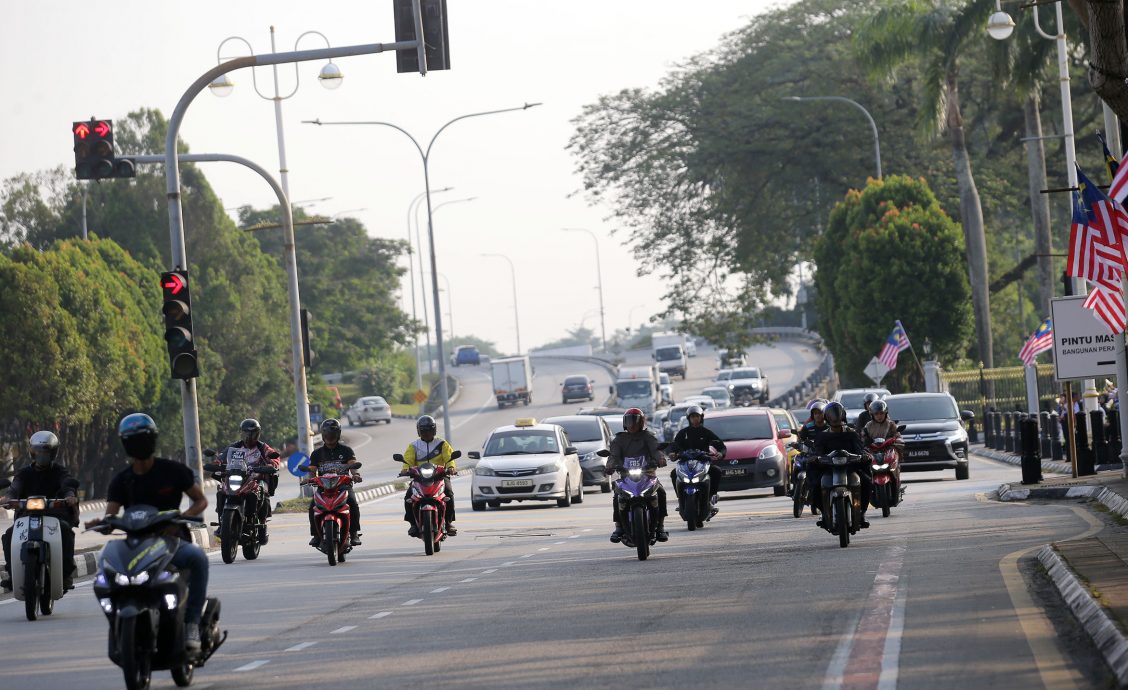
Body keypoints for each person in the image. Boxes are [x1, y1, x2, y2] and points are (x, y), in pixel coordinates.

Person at [85, 414, 210, 651]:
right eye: (133, 441)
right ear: (126, 445)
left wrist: (182, 518)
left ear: (152, 440)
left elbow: (200, 501)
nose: (139, 445)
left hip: (171, 541)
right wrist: (101, 524)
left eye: (142, 439)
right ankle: (117, 622)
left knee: (198, 558)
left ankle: (192, 622)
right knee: (105, 570)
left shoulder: (173, 470)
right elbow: (112, 516)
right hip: (135, 546)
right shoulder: (121, 480)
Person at [2, 431, 78, 592]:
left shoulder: (59, 471)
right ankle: (11, 574)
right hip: (27, 514)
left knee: (66, 531)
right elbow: (15, 487)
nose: (41, 455)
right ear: (32, 452)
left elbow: (67, 484)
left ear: (53, 453)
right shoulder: (24, 473)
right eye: (38, 451)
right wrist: (7, 497)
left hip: (54, 515)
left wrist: (70, 496)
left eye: (45, 452)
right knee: (9, 535)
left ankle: (66, 575)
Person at [606, 408, 668, 543]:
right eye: (628, 421)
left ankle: (660, 527)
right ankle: (619, 527)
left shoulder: (649, 437)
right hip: (625, 476)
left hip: (648, 474)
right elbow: (613, 455)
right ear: (624, 423)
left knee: (661, 493)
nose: (632, 424)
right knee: (617, 495)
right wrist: (610, 465)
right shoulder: (619, 439)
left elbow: (656, 451)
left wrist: (661, 459)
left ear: (641, 422)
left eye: (635, 421)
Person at [212, 419, 279, 543]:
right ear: (241, 433)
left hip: (255, 478)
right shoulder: (234, 446)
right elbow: (221, 457)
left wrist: (272, 463)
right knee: (221, 491)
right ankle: (222, 523)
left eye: (252, 434)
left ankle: (262, 526)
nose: (249, 437)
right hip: (237, 477)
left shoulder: (262, 447)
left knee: (263, 490)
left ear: (257, 434)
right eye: (246, 433)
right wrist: (217, 463)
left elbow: (273, 456)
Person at [813, 401, 871, 529]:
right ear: (827, 418)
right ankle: (824, 513)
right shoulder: (822, 436)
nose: (836, 421)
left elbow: (859, 449)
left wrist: (863, 456)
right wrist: (815, 458)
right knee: (814, 486)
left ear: (842, 416)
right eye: (832, 417)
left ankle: (861, 513)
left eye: (837, 417)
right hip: (828, 470)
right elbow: (817, 452)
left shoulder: (852, 433)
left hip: (851, 468)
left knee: (867, 483)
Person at [398, 415, 458, 537]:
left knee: (449, 493)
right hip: (419, 478)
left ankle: (448, 522)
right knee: (408, 496)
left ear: (434, 430)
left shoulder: (442, 443)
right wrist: (405, 470)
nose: (427, 433)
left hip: (439, 476)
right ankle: (413, 524)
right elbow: (407, 460)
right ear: (419, 431)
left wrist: (451, 467)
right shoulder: (413, 445)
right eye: (424, 430)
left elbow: (449, 457)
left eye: (429, 430)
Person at [306, 418, 362, 547]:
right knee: (312, 507)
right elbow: (312, 470)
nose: (329, 437)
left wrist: (356, 475)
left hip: (343, 486)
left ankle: (354, 533)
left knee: (353, 503)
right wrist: (310, 478)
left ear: (338, 434)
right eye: (327, 434)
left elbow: (352, 465)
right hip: (323, 488)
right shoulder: (316, 453)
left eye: (332, 434)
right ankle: (315, 535)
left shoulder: (346, 450)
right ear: (323, 435)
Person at [667, 405, 725, 515]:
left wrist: (720, 453)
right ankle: (681, 500)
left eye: (697, 416)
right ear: (689, 418)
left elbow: (721, 446)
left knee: (716, 471)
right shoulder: (682, 433)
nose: (695, 419)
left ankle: (711, 497)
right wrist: (672, 453)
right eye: (692, 417)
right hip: (685, 463)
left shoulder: (706, 432)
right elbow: (673, 446)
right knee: (674, 473)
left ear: (701, 418)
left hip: (703, 463)